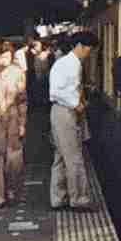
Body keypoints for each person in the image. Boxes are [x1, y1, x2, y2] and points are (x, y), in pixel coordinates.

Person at [48, 31, 98, 211]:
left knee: (61, 157)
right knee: (74, 157)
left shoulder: (69, 63)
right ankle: (80, 199)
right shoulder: (67, 64)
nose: (89, 54)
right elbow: (56, 91)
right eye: (88, 49)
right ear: (79, 46)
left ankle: (58, 198)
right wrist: (76, 103)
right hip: (65, 112)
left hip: (63, 112)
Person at [0, 43, 26, 207]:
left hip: (13, 118)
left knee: (14, 159)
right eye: (1, 56)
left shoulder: (18, 73)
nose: (4, 60)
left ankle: (13, 190)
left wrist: (23, 123)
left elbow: (22, 99)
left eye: (8, 56)